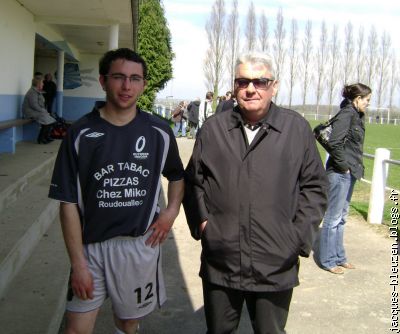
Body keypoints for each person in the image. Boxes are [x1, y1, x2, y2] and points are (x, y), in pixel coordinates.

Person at [183, 51, 328, 334]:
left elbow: (315, 187)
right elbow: (193, 182)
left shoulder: (296, 129)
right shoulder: (213, 129)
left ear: (274, 86)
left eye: (260, 81)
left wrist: (297, 238)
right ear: (235, 86)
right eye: (243, 81)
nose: (250, 89)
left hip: (275, 262)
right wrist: (204, 225)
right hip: (221, 261)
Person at [48, 48, 185, 334]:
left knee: (127, 325)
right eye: (119, 77)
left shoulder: (158, 131)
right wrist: (78, 263)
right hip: (91, 250)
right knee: (76, 329)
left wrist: (171, 211)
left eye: (135, 78)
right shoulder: (81, 133)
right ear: (103, 80)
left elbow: (176, 175)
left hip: (137, 247)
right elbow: (67, 203)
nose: (127, 86)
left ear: (144, 84)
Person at [318, 83, 372, 275]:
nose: (368, 104)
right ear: (357, 99)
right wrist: (344, 167)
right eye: (366, 100)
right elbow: (334, 143)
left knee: (342, 217)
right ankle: (328, 260)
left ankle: (340, 256)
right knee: (332, 218)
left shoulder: (356, 115)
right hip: (340, 173)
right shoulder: (347, 114)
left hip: (350, 173)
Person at [22, 76, 56, 144]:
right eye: (42, 83)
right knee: (47, 120)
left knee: (51, 120)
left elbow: (40, 104)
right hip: (30, 112)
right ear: (38, 84)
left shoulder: (37, 91)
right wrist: (44, 111)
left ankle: (45, 137)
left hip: (37, 111)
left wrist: (44, 111)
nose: (43, 84)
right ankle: (41, 139)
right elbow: (34, 105)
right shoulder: (32, 92)